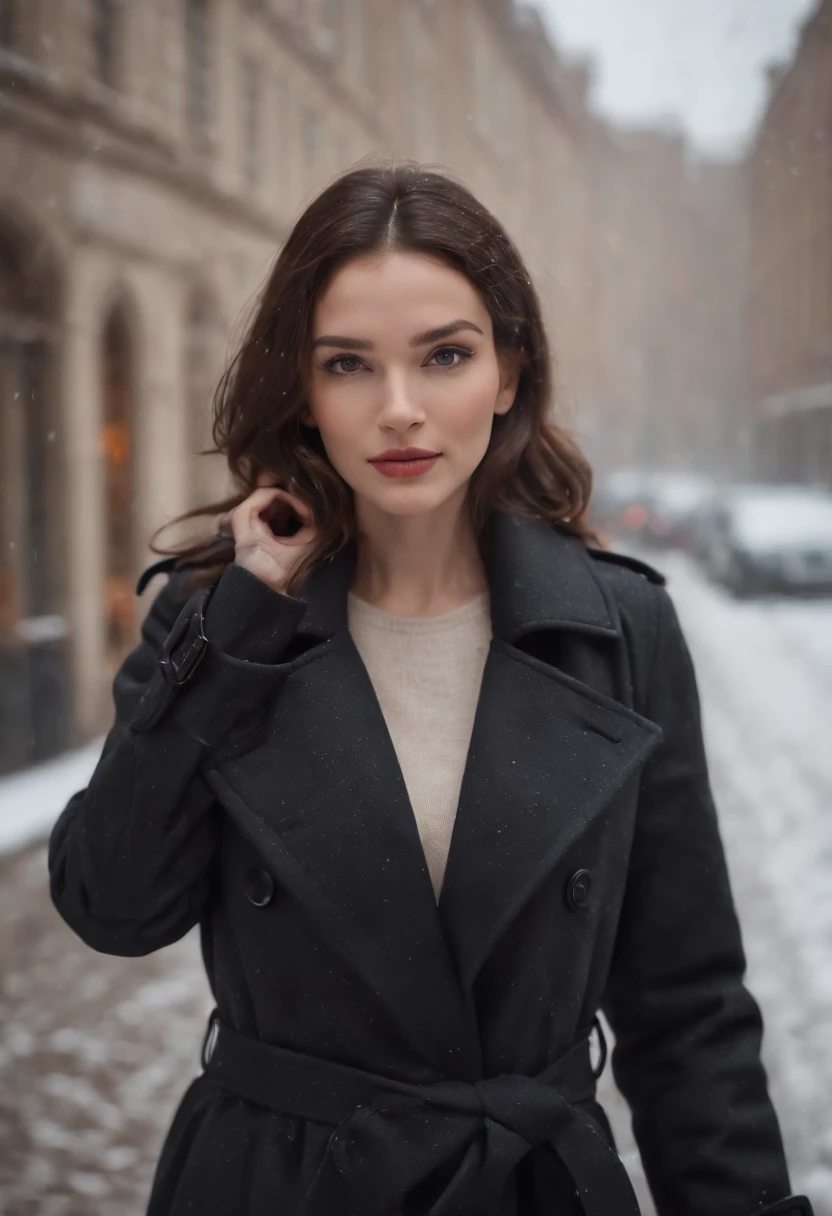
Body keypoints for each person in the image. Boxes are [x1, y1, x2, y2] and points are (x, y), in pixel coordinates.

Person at [48, 164, 812, 1216]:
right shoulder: (218, 616)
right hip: (282, 1183)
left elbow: (687, 1010)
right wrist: (234, 638)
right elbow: (114, 904)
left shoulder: (616, 630)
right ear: (303, 392)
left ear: (506, 371)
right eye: (349, 363)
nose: (399, 410)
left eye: (444, 355)